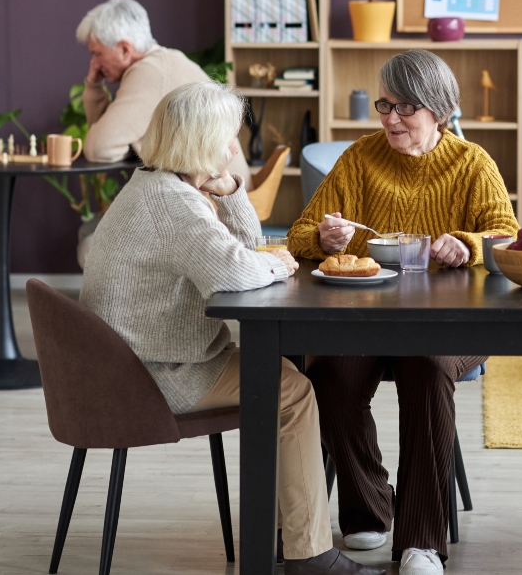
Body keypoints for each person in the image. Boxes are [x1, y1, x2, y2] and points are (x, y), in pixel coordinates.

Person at [80, 82, 381, 575]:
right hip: (157, 375)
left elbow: (243, 249)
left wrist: (234, 191)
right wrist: (282, 266)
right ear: (201, 142)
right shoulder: (173, 204)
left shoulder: (158, 187)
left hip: (135, 364)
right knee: (295, 392)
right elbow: (239, 271)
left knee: (284, 379)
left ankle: (291, 535)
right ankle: (311, 556)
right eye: (227, 140)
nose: (231, 150)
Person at [288, 50, 518, 575]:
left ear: (438, 110)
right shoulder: (359, 159)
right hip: (366, 317)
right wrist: (324, 237)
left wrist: (467, 244)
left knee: (427, 366)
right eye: (385, 104)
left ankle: (422, 541)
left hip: (453, 323)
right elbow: (300, 233)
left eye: (406, 107)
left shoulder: (471, 163)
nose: (391, 118)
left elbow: (505, 236)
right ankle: (369, 505)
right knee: (327, 371)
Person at [75, 0, 248, 181]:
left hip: (218, 201)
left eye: (97, 54)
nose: (94, 63)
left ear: (125, 49)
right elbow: (101, 139)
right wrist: (94, 87)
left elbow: (99, 149)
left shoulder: (150, 72)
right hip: (224, 193)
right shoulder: (163, 62)